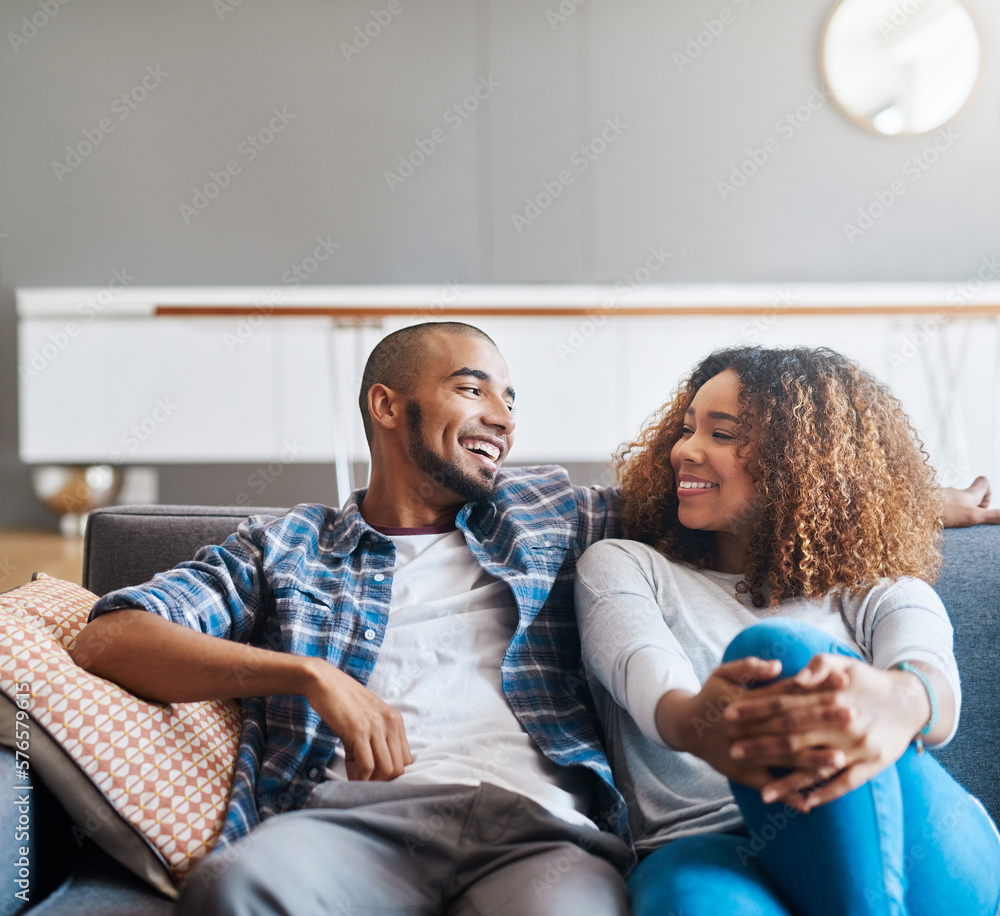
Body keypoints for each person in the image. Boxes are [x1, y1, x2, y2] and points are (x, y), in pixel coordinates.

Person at [71, 321, 632, 916]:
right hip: (350, 827)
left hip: (538, 832)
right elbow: (111, 639)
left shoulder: (553, 513)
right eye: (473, 390)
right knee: (234, 890)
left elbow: (705, 503)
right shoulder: (286, 545)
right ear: (386, 405)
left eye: (510, 399)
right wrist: (311, 674)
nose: (504, 418)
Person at [574, 345, 1000, 916]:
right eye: (685, 429)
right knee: (687, 902)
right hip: (706, 846)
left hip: (906, 830)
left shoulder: (883, 590)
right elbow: (654, 686)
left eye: (722, 434)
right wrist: (705, 727)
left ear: (802, 461)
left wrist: (897, 701)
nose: (685, 451)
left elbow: (934, 687)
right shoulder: (624, 566)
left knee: (777, 653)